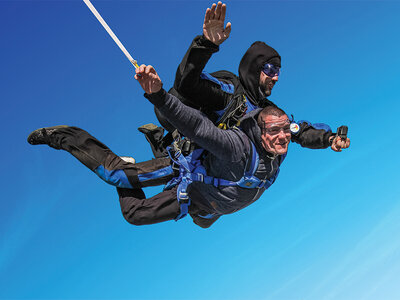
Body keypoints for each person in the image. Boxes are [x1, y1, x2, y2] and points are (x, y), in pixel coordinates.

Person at [27, 64, 350, 228]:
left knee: (200, 223)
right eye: (275, 132)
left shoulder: (275, 127)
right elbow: (196, 125)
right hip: (194, 176)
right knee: (119, 180)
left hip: (206, 204)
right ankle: (65, 136)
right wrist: (158, 94)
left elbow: (301, 129)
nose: (282, 138)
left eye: (285, 133)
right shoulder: (236, 145)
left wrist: (330, 138)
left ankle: (158, 146)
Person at [145, 2, 283, 157]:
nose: (276, 77)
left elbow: (295, 129)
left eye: (278, 71)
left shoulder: (265, 108)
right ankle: (161, 145)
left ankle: (162, 144)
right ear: (254, 68)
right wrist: (206, 44)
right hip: (182, 127)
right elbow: (186, 84)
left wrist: (315, 136)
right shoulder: (229, 93)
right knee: (122, 175)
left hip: (220, 164)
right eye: (271, 69)